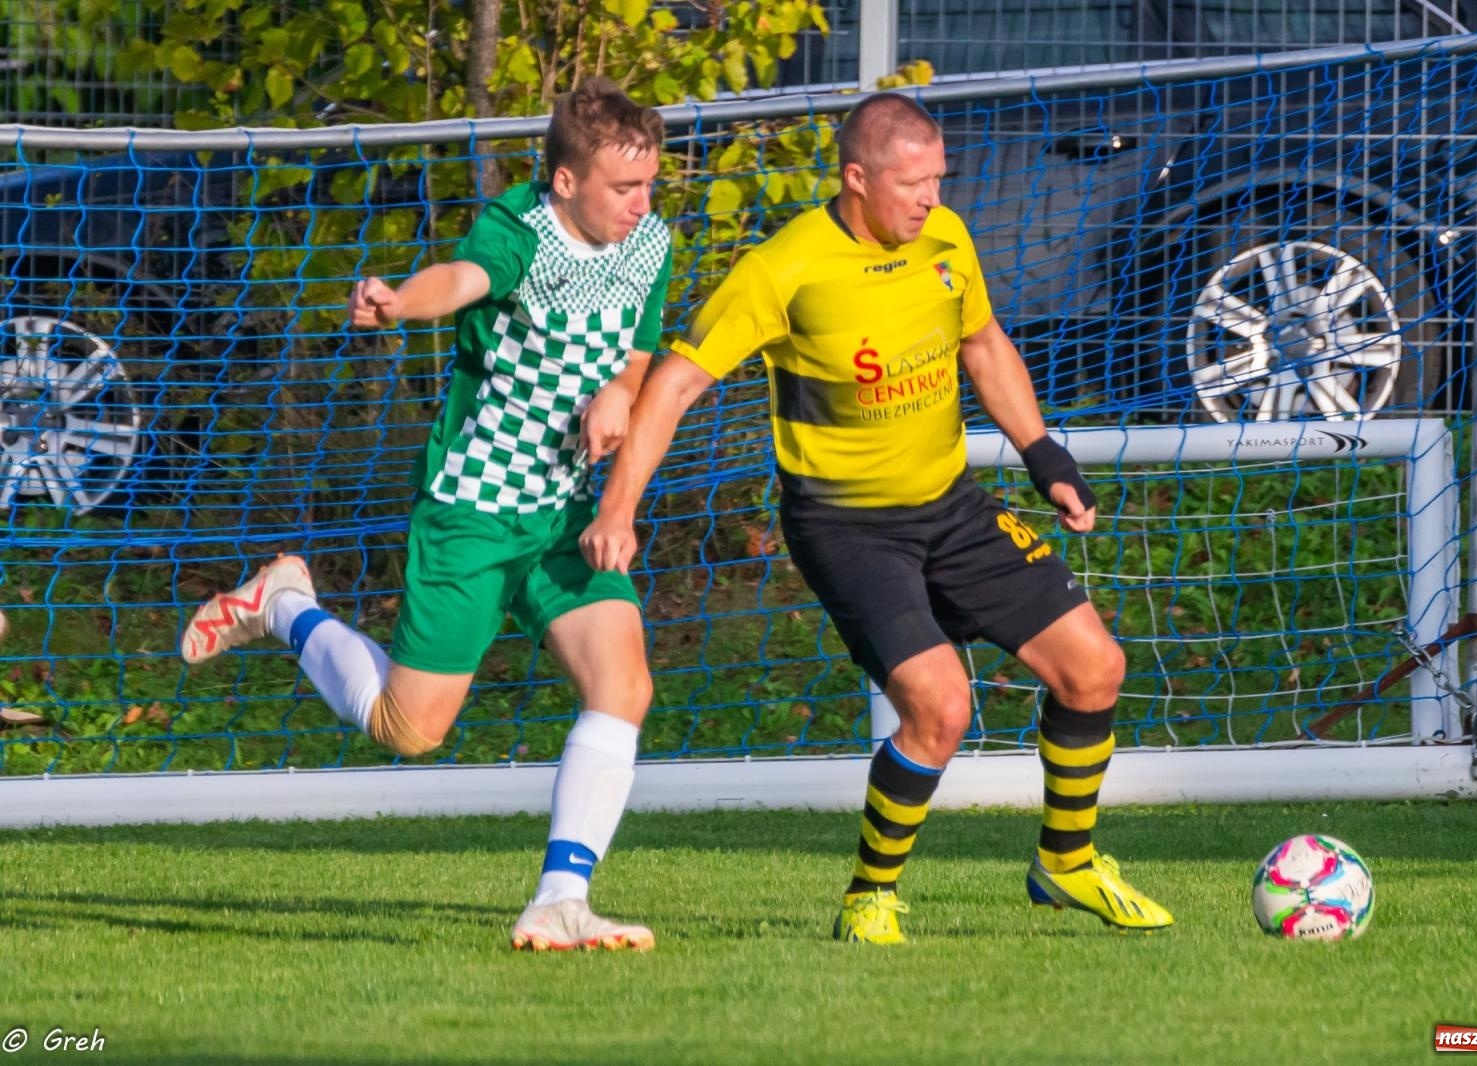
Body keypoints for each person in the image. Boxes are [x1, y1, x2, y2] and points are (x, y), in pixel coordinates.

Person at [582, 92, 1173, 945]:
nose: (932, 197)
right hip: (846, 527)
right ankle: (870, 895)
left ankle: (1068, 862)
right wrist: (620, 507)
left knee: (1095, 669)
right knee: (940, 706)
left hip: (950, 504)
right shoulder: (784, 268)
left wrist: (1044, 454)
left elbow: (982, 341)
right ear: (857, 179)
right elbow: (673, 383)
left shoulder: (945, 238)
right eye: (913, 182)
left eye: (939, 178)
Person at [180, 77, 672, 954]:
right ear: (566, 183)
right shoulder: (516, 232)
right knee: (411, 729)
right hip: (476, 510)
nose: (643, 204)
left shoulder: (650, 243)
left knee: (624, 686)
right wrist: (400, 301)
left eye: (650, 185)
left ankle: (561, 900)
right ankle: (283, 603)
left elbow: (637, 355)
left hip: (560, 515)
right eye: (624, 188)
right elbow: (463, 278)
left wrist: (616, 391)